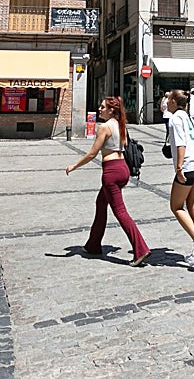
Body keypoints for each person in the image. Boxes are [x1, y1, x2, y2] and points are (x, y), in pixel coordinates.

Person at [65, 96, 151, 265]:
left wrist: (74, 166)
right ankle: (93, 245)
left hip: (111, 172)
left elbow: (92, 153)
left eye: (103, 107)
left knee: (120, 211)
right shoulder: (120, 124)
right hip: (123, 169)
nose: (99, 109)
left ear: (111, 110)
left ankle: (141, 249)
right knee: (101, 204)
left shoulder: (104, 127)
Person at [166, 90, 194, 269]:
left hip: (188, 167)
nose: (166, 102)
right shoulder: (188, 118)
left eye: (169, 99)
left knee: (176, 207)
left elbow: (181, 144)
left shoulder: (175, 118)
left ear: (174, 102)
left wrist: (179, 168)